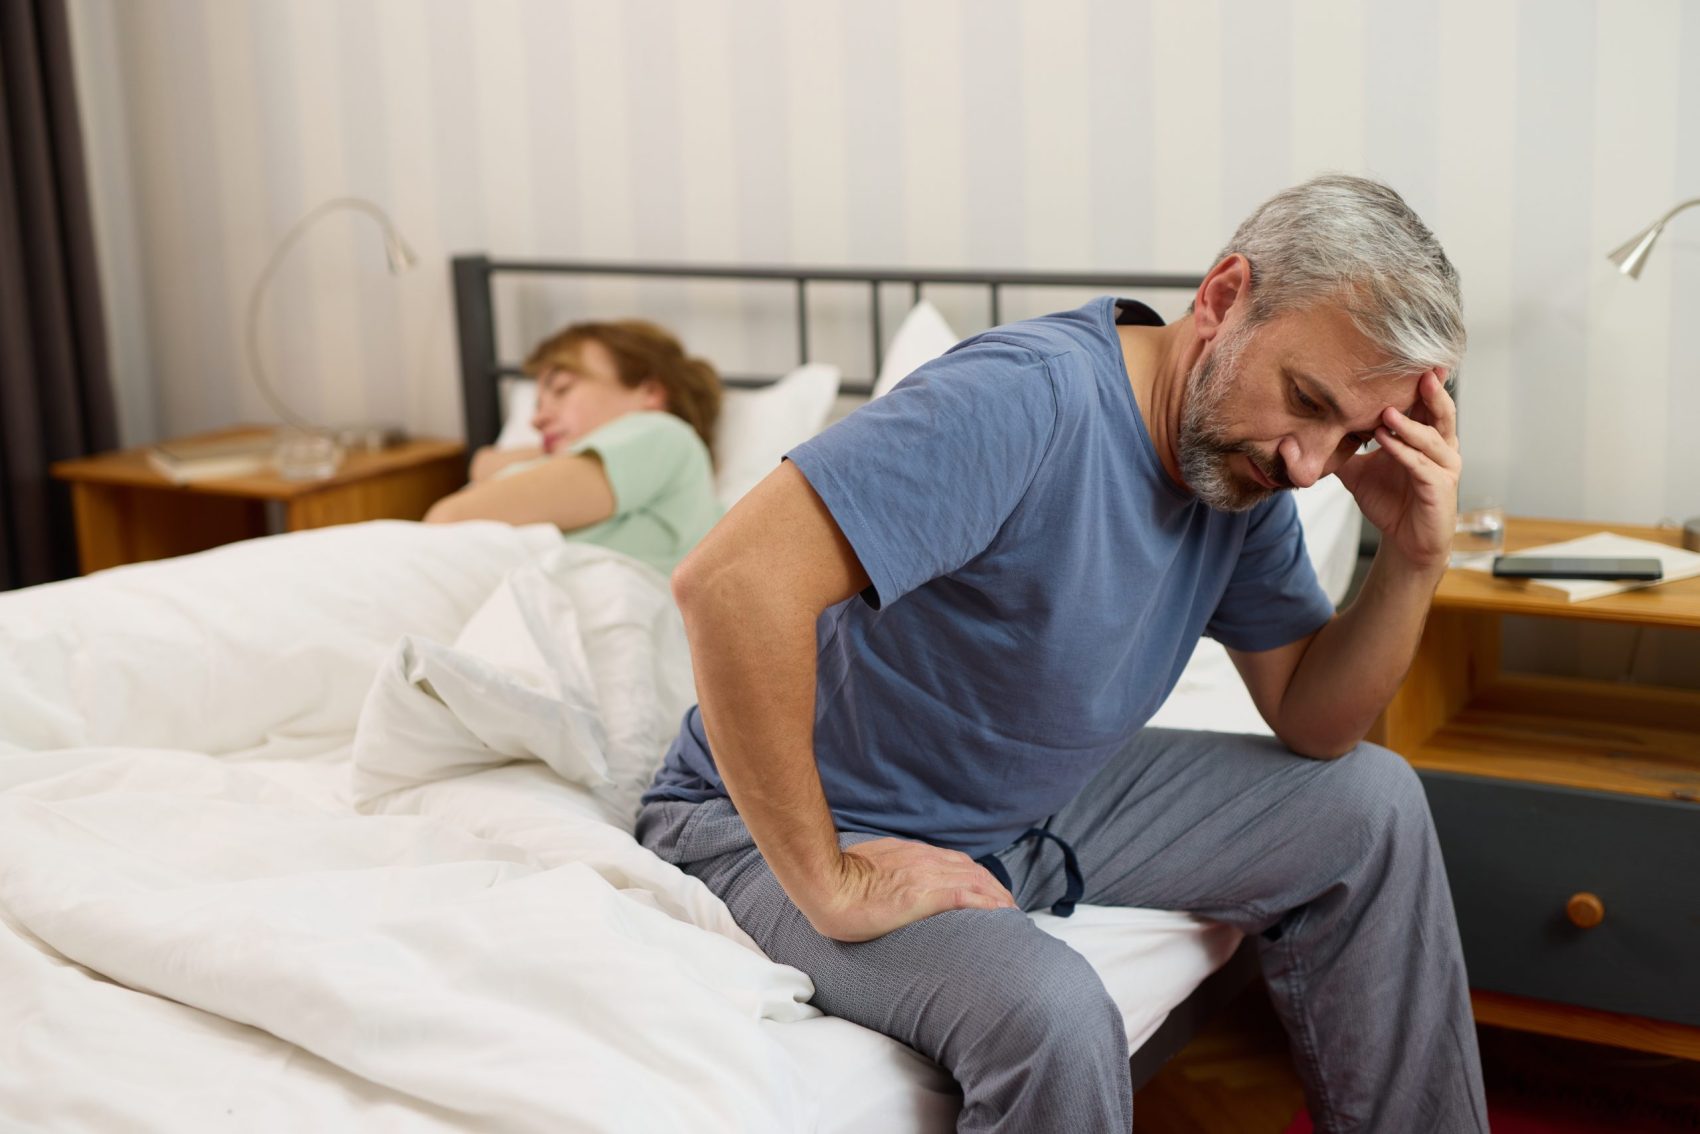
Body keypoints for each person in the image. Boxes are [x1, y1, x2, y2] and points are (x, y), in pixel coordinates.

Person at [637, 175, 1489, 1132]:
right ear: (1222, 298)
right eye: (1305, 400)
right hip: (793, 823)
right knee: (1055, 1017)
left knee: (1370, 804)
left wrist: (1414, 557)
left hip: (1025, 803)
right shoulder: (1026, 399)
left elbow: (1314, 721)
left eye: (1351, 437)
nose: (1309, 464)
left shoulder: (1244, 473)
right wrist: (832, 882)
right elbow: (731, 582)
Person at [424, 319, 722, 576]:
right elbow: (483, 464)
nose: (537, 420)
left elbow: (449, 520)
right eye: (538, 404)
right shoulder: (617, 463)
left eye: (562, 389)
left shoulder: (661, 433)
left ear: (651, 393)